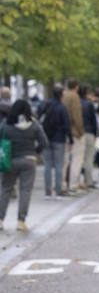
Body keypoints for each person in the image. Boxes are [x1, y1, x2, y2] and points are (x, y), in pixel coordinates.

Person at [0, 100, 49, 234]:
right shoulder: (34, 124)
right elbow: (44, 142)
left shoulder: (6, 124)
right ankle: (21, 222)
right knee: (25, 191)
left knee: (5, 189)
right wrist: (35, 152)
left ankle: (0, 220)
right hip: (29, 160)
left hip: (9, 160)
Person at [39, 86, 72, 198]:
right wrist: (70, 139)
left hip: (46, 138)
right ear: (61, 95)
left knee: (47, 165)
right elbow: (67, 125)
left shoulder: (45, 106)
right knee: (59, 166)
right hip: (59, 139)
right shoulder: (62, 108)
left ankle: (47, 191)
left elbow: (39, 121)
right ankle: (58, 190)